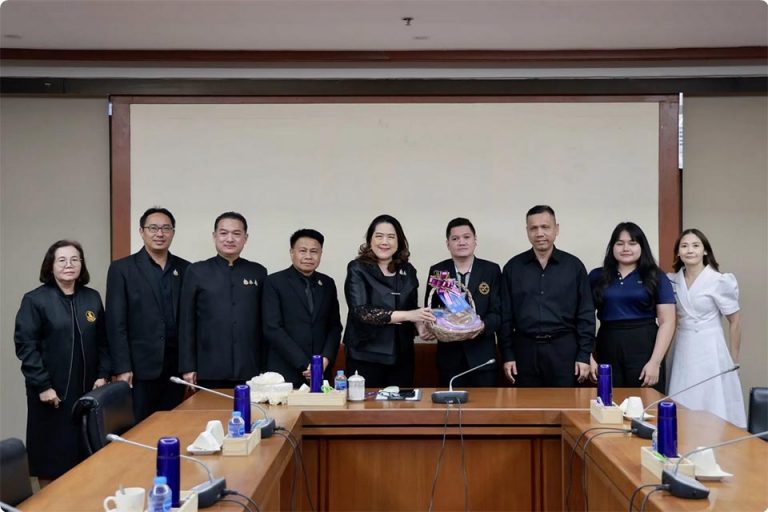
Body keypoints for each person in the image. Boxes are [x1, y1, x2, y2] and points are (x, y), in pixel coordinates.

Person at [14, 240, 110, 481]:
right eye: (62, 260)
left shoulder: (92, 298)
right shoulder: (35, 300)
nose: (69, 265)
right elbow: (26, 347)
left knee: (88, 459)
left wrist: (103, 374)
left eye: (75, 259)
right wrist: (43, 386)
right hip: (52, 395)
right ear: (51, 265)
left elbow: (103, 343)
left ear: (81, 265)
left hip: (87, 393)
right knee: (52, 461)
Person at [106, 207, 190, 421]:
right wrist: (122, 367)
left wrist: (189, 365)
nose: (159, 234)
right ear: (141, 232)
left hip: (175, 368)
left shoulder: (186, 269)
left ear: (173, 232)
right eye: (153, 228)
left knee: (173, 424)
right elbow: (115, 323)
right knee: (139, 427)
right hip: (139, 369)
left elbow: (190, 321)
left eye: (166, 228)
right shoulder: (122, 269)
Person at [499, 205, 595, 387]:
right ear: (527, 231)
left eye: (545, 227)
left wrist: (584, 355)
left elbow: (586, 314)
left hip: (564, 350)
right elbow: (505, 317)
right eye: (533, 228)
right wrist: (508, 355)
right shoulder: (513, 268)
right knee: (526, 403)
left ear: (556, 229)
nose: (539, 233)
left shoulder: (574, 266)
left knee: (565, 402)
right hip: (524, 351)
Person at [343, 214, 435, 388]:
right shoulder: (357, 268)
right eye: (379, 236)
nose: (384, 242)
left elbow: (412, 308)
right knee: (366, 404)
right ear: (370, 240)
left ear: (399, 241)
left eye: (391, 237)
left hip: (402, 355)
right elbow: (362, 312)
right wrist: (409, 315)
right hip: (366, 355)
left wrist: (421, 327)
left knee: (400, 403)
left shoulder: (408, 270)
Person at [666, 229, 746, 427]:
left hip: (710, 346)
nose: (690, 250)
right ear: (678, 252)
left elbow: (735, 321)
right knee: (682, 396)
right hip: (683, 345)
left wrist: (734, 360)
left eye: (696, 245)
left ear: (705, 251)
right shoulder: (671, 280)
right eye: (684, 246)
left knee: (712, 398)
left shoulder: (719, 280)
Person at [179, 212, 267, 388]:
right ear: (214, 236)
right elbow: (186, 322)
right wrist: (188, 366)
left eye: (236, 233)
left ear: (245, 238)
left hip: (250, 367)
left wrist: (265, 367)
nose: (230, 239)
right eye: (224, 233)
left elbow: (265, 322)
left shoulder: (258, 272)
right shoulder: (196, 271)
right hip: (208, 368)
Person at [588, 222, 675, 392]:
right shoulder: (597, 276)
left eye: (632, 243)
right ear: (612, 247)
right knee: (609, 399)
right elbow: (583, 318)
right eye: (620, 243)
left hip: (644, 345)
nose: (625, 248)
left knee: (646, 401)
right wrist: (588, 356)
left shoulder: (656, 276)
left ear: (642, 246)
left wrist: (655, 362)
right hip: (608, 344)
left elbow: (668, 321)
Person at [426, 217, 501, 387]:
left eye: (466, 237)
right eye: (455, 238)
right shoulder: (439, 272)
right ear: (448, 244)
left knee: (485, 404)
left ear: (475, 240)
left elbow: (498, 312)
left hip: (482, 357)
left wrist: (481, 327)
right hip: (450, 358)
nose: (461, 242)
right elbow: (431, 311)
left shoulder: (491, 270)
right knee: (451, 404)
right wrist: (430, 326)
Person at [263, 229, 343, 388]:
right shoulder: (274, 282)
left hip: (322, 372)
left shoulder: (327, 283)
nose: (308, 256)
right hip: (285, 371)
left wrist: (325, 359)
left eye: (314, 251)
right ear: (292, 252)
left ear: (321, 254)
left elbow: (335, 327)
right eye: (303, 251)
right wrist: (305, 364)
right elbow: (273, 328)